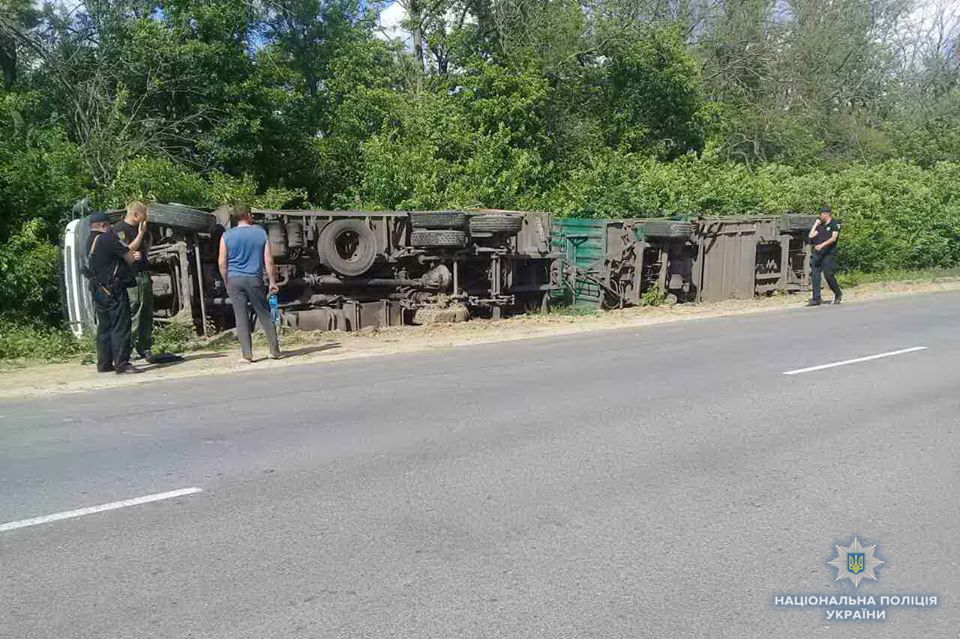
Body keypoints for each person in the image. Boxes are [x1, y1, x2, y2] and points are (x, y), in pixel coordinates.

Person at [218, 204, 282, 362]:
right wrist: (272, 281)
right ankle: (274, 350)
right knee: (265, 314)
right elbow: (268, 260)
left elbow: (221, 262)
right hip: (254, 279)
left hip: (234, 279)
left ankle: (247, 355)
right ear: (247, 214)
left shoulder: (227, 235)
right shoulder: (260, 233)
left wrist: (226, 281)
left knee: (241, 317)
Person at [86, 211, 145, 374]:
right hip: (114, 290)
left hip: (98, 290)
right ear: (103, 225)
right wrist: (135, 253)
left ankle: (104, 363)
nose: (111, 227)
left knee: (104, 327)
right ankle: (122, 363)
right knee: (120, 326)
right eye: (109, 224)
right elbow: (129, 257)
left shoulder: (90, 241)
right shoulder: (108, 238)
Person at [114, 201, 155, 362]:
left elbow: (146, 248)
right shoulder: (119, 230)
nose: (146, 219)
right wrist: (139, 235)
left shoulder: (144, 230)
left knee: (146, 313)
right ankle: (126, 350)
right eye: (144, 216)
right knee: (134, 313)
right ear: (136, 215)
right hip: (131, 277)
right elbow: (125, 251)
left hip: (144, 275)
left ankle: (144, 347)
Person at [807, 204, 842, 306]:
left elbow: (833, 238)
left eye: (821, 214)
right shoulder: (820, 225)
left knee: (828, 275)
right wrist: (815, 224)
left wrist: (822, 245)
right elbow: (811, 235)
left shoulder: (834, 224)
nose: (819, 216)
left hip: (828, 254)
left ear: (826, 214)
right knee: (815, 275)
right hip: (818, 254)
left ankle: (838, 294)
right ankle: (816, 298)